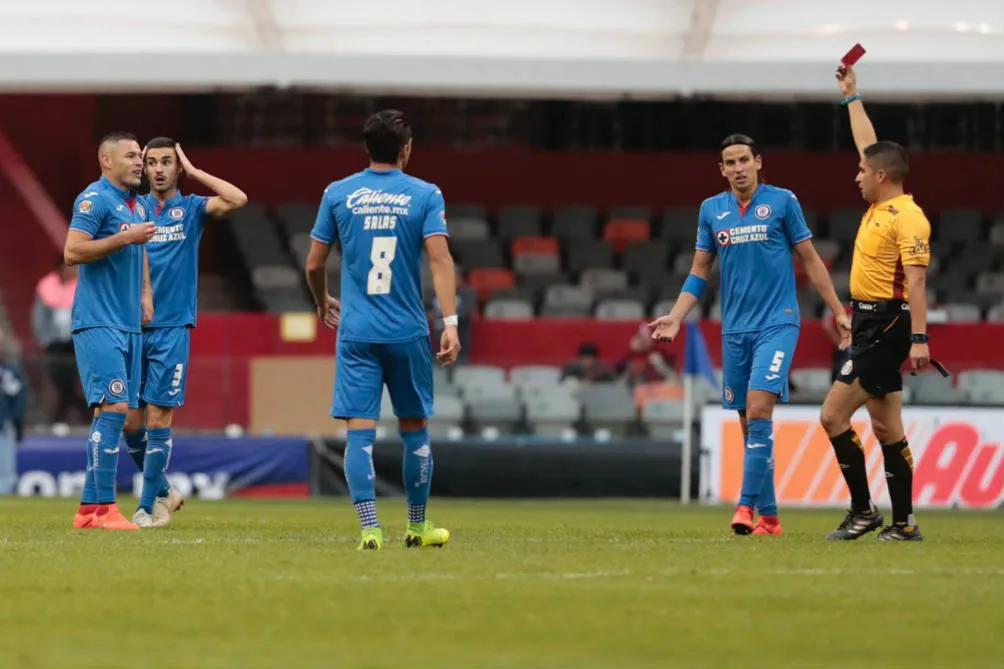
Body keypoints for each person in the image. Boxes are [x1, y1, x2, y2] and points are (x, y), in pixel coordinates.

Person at [649, 134, 850, 536]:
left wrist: (838, 311)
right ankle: (771, 518)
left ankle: (743, 508)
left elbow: (810, 259)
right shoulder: (711, 210)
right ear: (721, 170)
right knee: (748, 423)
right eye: (730, 162)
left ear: (758, 162)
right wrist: (675, 316)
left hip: (778, 322)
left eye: (744, 159)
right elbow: (700, 270)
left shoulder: (782, 202)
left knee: (759, 410)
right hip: (735, 329)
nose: (738, 168)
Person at [305, 109, 460, 551]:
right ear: (406, 149)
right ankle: (416, 527)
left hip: (356, 332)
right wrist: (449, 323)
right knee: (414, 427)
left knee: (360, 432)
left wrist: (321, 301)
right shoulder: (425, 195)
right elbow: (440, 260)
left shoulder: (338, 193)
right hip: (406, 331)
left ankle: (370, 529)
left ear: (366, 148)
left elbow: (314, 263)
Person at [818, 65, 932, 542]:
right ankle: (904, 523)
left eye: (864, 170)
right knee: (888, 431)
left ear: (882, 176)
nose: (857, 174)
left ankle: (864, 511)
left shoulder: (909, 217)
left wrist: (921, 339)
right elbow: (869, 144)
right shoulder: (880, 208)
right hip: (869, 324)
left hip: (887, 328)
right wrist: (852, 97)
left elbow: (917, 282)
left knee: (832, 416)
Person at [119, 137, 248, 528]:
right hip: (132, 325)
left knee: (159, 418)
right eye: (152, 162)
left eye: (167, 162)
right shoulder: (132, 208)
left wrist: (195, 172)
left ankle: (147, 507)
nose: (159, 169)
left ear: (177, 168)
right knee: (127, 421)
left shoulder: (191, 209)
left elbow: (237, 198)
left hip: (173, 327)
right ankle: (165, 490)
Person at [64, 131, 157, 531]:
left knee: (113, 412)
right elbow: (72, 251)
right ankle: (106, 509)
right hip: (98, 321)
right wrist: (124, 237)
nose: (140, 162)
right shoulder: (94, 199)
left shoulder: (134, 205)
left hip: (128, 324)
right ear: (106, 160)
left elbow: (139, 248)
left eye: (141, 156)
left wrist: (146, 292)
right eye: (132, 156)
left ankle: (87, 510)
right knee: (116, 409)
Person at [32, 257, 83, 425]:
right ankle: (83, 411)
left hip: (75, 343)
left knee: (71, 381)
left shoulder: (80, 285)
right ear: (61, 267)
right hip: (54, 344)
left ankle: (60, 418)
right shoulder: (46, 286)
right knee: (60, 381)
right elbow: (39, 317)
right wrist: (44, 339)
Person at [0, 327, 28, 494]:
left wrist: (13, 419)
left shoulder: (11, 370)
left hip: (4, 425)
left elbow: (21, 398)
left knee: (5, 467)